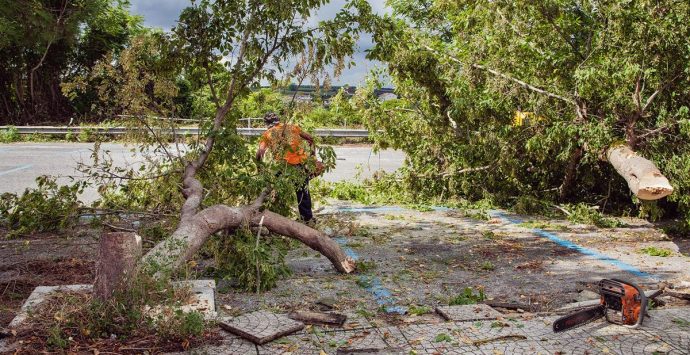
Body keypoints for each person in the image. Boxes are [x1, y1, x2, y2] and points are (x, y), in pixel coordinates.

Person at [256, 112, 317, 222]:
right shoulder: (292, 127)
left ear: (267, 123)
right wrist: (313, 157)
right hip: (300, 164)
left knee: (271, 188)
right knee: (303, 193)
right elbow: (310, 139)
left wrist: (259, 168)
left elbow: (260, 152)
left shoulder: (267, 134)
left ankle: (268, 214)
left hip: (283, 166)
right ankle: (307, 219)